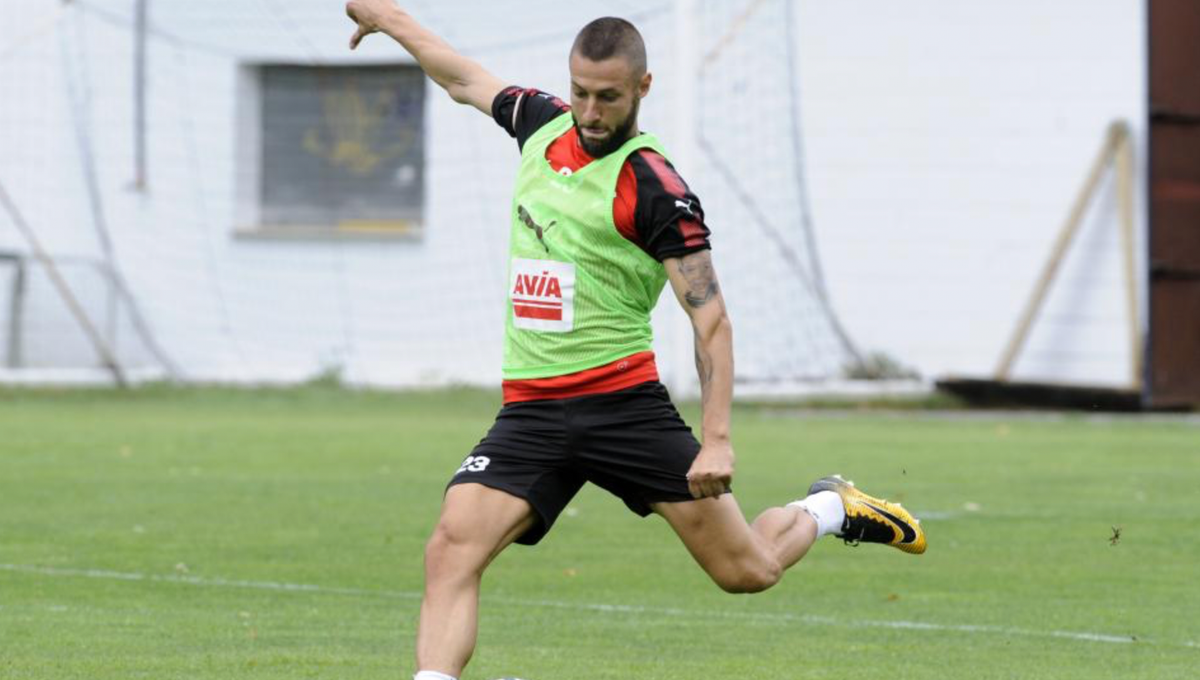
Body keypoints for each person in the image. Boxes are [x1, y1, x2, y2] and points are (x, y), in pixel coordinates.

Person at [345, 3, 927, 679]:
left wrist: (716, 439)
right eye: (580, 93)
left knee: (748, 570)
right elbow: (461, 77)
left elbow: (711, 320)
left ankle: (829, 507)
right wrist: (385, 15)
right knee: (450, 548)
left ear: (642, 88)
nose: (590, 112)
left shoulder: (654, 187)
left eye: (608, 97)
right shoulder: (540, 123)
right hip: (532, 411)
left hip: (623, 408)